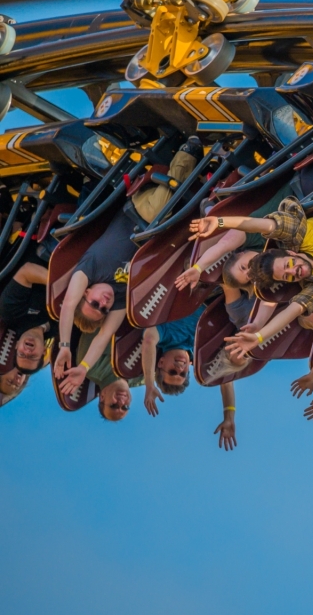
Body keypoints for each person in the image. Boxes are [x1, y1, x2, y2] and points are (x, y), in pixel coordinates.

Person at [55, 140, 202, 381]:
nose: (103, 303)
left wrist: (63, 346)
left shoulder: (88, 271)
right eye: (103, 310)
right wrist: (83, 368)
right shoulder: (121, 297)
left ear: (86, 292)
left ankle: (187, 154)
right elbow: (103, 337)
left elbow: (68, 305)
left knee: (159, 211)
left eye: (94, 304)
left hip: (140, 212)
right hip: (163, 235)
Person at [188, 198, 313, 360]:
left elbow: (266, 225)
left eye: (289, 264)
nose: (294, 270)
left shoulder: (300, 237)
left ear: (291, 253)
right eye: (288, 276)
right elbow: (292, 310)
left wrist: (219, 222)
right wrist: (259, 335)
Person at [59, 331, 143, 421]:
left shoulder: (90, 367)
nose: (121, 402)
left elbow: (99, 328)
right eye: (125, 407)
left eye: (113, 405)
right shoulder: (144, 378)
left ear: (102, 397)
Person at [141, 303, 205, 415]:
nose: (179, 369)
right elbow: (225, 377)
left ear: (161, 362)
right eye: (183, 374)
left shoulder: (164, 335)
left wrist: (149, 384)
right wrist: (229, 413)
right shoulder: (200, 350)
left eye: (172, 372)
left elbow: (149, 341)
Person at [0, 258, 55, 374]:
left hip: (46, 249)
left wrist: (63, 287)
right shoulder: (59, 329)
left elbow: (27, 271)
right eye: (32, 357)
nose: (28, 352)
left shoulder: (10, 314)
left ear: (16, 345)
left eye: (22, 354)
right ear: (44, 351)